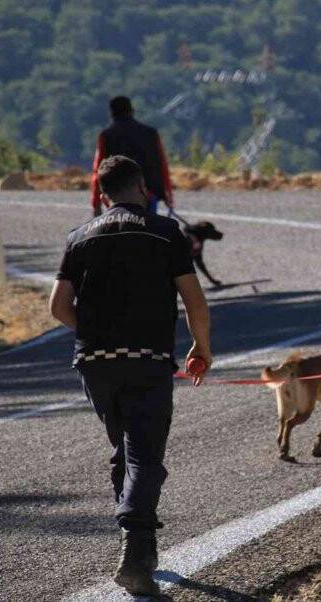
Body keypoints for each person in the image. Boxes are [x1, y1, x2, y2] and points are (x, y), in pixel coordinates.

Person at [49, 156, 212, 596]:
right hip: (148, 358)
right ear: (141, 188)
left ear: (102, 195)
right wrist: (201, 347)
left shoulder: (79, 237)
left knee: (125, 448)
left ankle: (142, 547)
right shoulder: (165, 233)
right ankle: (135, 552)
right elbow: (195, 300)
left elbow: (58, 307)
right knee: (144, 455)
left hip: (95, 362)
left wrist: (93, 332)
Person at [91, 96, 174, 217]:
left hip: (117, 197)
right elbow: (162, 165)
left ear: (111, 113)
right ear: (131, 110)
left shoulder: (106, 136)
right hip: (147, 194)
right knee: (148, 232)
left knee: (121, 234)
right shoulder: (151, 133)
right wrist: (168, 196)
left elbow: (98, 170)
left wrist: (96, 203)